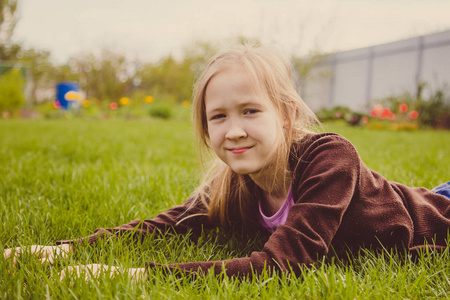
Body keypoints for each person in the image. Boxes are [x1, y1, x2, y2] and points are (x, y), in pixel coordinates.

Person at [4, 44, 450, 281]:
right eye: (218, 117)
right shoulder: (235, 183)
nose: (233, 130)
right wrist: (63, 250)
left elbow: (284, 265)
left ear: (287, 113)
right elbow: (164, 225)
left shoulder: (330, 157)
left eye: (250, 111)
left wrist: (140, 276)